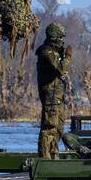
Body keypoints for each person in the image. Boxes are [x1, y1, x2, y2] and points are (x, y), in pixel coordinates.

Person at [35, 23, 71, 159]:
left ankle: (53, 154)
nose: (62, 40)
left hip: (58, 97)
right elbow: (61, 68)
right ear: (54, 36)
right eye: (60, 37)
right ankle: (45, 157)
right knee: (50, 126)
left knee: (58, 127)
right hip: (50, 96)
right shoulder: (46, 51)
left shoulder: (55, 51)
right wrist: (67, 56)